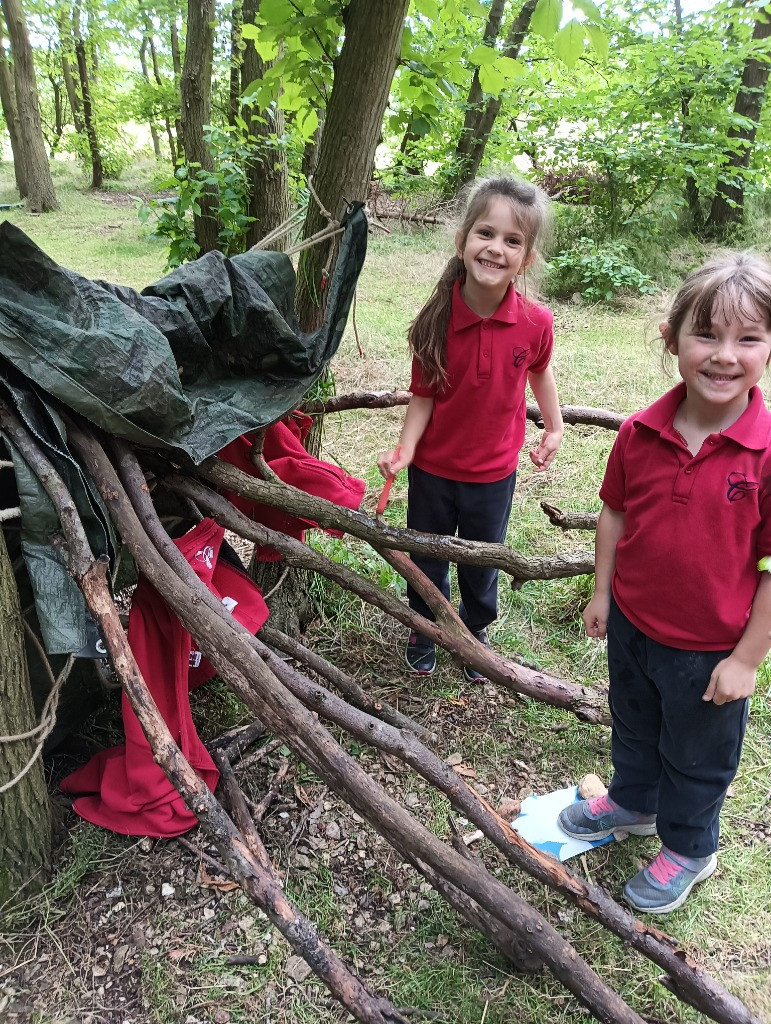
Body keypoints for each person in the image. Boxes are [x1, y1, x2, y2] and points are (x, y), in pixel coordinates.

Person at [559, 252, 771, 914]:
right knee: (633, 723)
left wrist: (745, 659)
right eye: (705, 334)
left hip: (710, 650)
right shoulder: (637, 432)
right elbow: (615, 512)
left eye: (748, 338)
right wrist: (601, 593)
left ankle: (689, 846)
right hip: (631, 623)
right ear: (670, 337)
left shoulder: (766, 453)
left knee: (696, 755)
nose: (723, 355)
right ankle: (634, 803)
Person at [378, 177, 563, 680]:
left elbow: (539, 371)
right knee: (427, 553)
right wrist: (406, 450)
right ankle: (425, 625)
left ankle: (476, 629)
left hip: (494, 473)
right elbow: (422, 397)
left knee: (482, 559)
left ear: (525, 258)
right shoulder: (434, 321)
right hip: (434, 470)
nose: (496, 248)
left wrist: (554, 426)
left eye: (512, 240)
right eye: (486, 233)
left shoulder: (535, 321)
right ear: (463, 241)